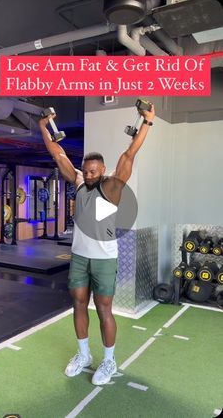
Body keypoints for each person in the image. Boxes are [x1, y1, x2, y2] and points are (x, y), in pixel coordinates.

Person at [39, 103, 155, 385]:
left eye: (93, 171)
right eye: (85, 171)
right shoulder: (78, 181)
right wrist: (44, 126)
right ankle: (84, 355)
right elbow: (58, 153)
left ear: (102, 169)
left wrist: (147, 123)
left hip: (104, 259)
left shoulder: (113, 185)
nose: (88, 175)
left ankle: (109, 361)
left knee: (104, 309)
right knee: (79, 304)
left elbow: (130, 153)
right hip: (79, 256)